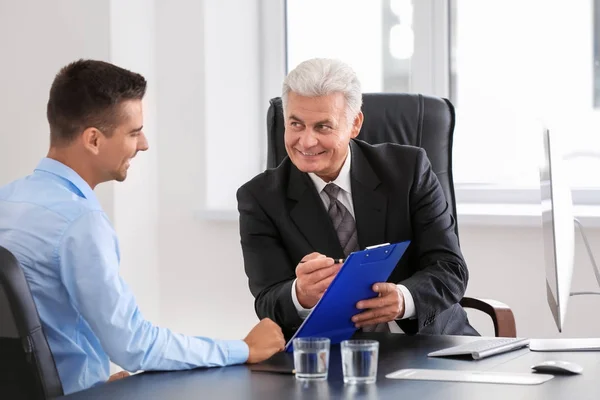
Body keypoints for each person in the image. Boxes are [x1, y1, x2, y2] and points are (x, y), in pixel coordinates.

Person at [0, 59, 284, 395]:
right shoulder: (79, 222)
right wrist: (243, 349)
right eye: (134, 132)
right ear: (93, 140)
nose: (144, 144)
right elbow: (133, 344)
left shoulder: (8, 199)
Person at [237, 58, 477, 341]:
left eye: (323, 127)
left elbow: (450, 268)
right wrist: (299, 294)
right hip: (330, 357)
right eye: (296, 124)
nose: (306, 141)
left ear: (355, 123)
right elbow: (266, 300)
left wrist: (404, 299)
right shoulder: (260, 197)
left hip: (428, 343)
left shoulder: (408, 170)